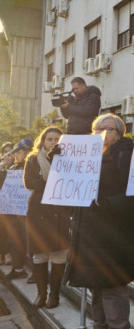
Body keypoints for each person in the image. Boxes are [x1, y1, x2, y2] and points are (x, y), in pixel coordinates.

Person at [64, 114, 134, 328]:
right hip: (92, 235)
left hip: (115, 236)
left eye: (109, 129)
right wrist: (57, 159)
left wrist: (106, 204)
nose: (102, 133)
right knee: (96, 284)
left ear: (120, 133)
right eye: (97, 129)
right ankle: (99, 324)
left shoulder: (127, 154)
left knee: (112, 286)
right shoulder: (91, 157)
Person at [24, 127, 71, 308]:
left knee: (59, 255)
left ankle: (54, 295)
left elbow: (67, 182)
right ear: (43, 141)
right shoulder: (33, 159)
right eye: (49, 139)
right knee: (39, 255)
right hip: (38, 212)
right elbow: (29, 182)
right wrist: (51, 182)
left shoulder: (67, 160)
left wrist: (49, 176)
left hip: (60, 212)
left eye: (57, 139)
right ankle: (41, 294)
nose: (53, 142)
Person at [0, 139, 32, 280]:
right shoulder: (12, 168)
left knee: (28, 241)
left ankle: (36, 273)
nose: (16, 156)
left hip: (27, 213)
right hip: (12, 211)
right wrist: (3, 166)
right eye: (15, 153)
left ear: (26, 153)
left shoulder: (29, 166)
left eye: (19, 152)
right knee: (14, 240)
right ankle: (18, 269)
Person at [0, 142, 14, 265]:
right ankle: (2, 253)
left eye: (11, 152)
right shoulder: (1, 167)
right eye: (6, 153)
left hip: (13, 206)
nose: (8, 155)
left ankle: (8, 253)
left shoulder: (18, 168)